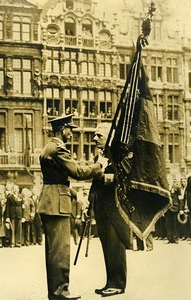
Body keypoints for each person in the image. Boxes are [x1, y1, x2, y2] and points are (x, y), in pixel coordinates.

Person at [37, 114, 102, 300]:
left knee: (53, 250)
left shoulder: (49, 147)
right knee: (61, 250)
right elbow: (78, 172)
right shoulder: (58, 149)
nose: (71, 133)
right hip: (56, 203)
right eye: (69, 129)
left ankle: (55, 291)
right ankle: (61, 292)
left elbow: (57, 179)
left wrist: (75, 195)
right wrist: (99, 165)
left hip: (51, 200)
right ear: (61, 129)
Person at [88, 122, 126, 297]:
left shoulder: (118, 155)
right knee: (107, 246)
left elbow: (123, 178)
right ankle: (110, 281)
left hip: (115, 208)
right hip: (102, 207)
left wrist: (102, 175)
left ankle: (118, 283)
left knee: (115, 245)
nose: (95, 139)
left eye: (99, 136)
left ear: (109, 137)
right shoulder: (102, 156)